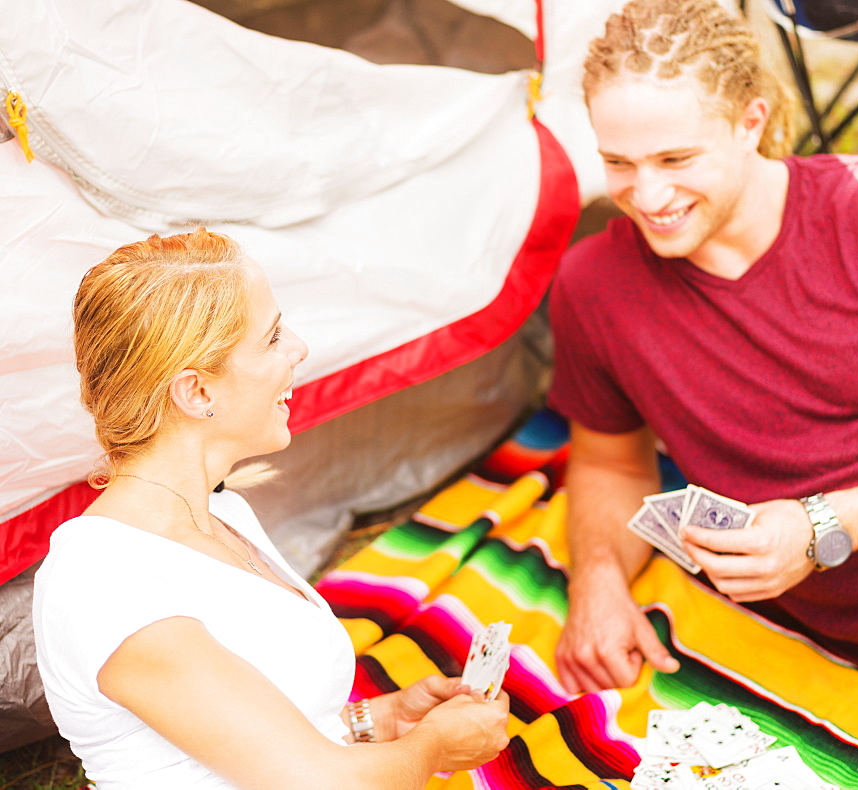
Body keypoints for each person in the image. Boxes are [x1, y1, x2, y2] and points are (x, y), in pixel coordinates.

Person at [546, 0, 858, 781]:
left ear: (752, 120)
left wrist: (825, 524)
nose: (647, 196)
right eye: (618, 163)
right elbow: (612, 463)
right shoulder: (596, 284)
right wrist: (596, 578)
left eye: (676, 159)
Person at [32, 228, 509, 789]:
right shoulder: (105, 586)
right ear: (198, 393)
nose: (299, 347)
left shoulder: (224, 515)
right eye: (272, 336)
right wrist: (431, 747)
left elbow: (257, 732)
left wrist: (381, 720)